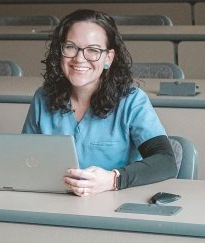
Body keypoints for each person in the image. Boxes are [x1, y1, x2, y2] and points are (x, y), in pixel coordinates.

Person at [22, 9, 177, 196]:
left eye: (93, 50)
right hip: (54, 204)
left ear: (108, 58)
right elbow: (25, 160)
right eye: (71, 47)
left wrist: (113, 179)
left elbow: (166, 161)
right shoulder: (42, 97)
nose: (79, 58)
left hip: (113, 208)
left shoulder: (132, 101)